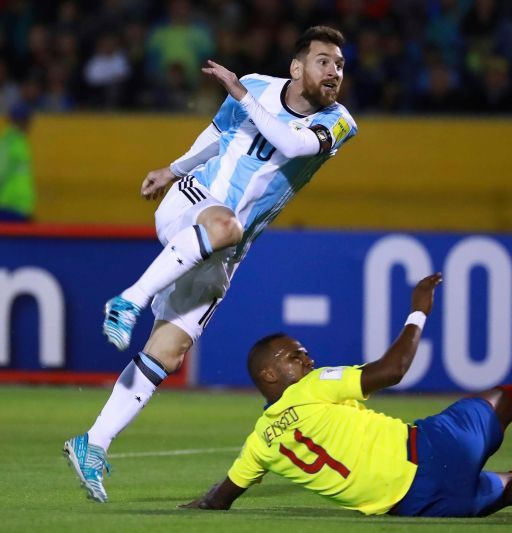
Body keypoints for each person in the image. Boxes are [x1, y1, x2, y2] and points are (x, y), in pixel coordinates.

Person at [63, 25, 358, 503]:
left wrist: (240, 91)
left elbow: (294, 145)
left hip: (226, 249)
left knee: (170, 350)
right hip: (195, 201)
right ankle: (128, 301)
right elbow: (217, 136)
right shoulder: (261, 86)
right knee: (225, 226)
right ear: (297, 67)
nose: (334, 71)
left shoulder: (340, 121)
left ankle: (92, 443)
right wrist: (172, 169)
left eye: (340, 65)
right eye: (324, 61)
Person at [181, 273, 512, 517]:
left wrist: (189, 508)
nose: (306, 357)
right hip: (432, 451)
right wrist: (418, 310)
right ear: (269, 373)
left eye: (304, 352)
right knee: (506, 401)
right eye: (293, 355)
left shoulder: (259, 445)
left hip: (419, 506)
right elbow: (394, 370)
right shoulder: (313, 385)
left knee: (511, 488)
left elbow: (220, 498)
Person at [0, 102, 35, 222]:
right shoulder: (9, 143)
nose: (30, 124)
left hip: (20, 207)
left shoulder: (20, 142)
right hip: (8, 206)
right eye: (27, 120)